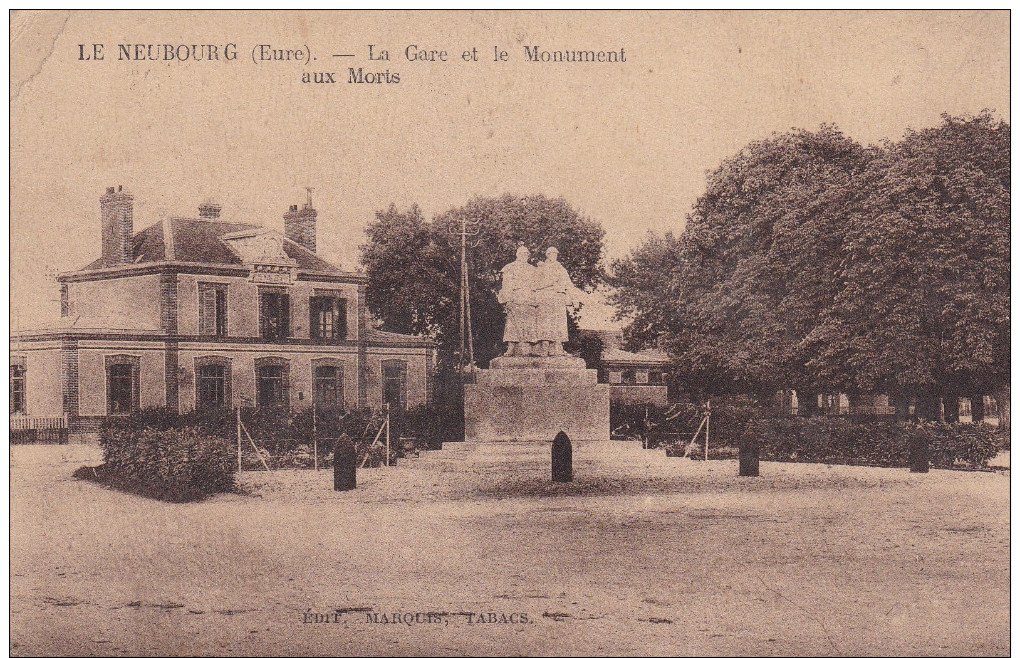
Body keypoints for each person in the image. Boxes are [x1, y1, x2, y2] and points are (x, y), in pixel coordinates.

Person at [533, 246, 584, 356]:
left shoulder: (561, 269)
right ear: (547, 255)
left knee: (559, 323)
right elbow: (535, 284)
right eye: (551, 254)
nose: (553, 256)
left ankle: (557, 347)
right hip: (545, 297)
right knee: (545, 322)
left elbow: (568, 284)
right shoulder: (541, 268)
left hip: (558, 298)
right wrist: (550, 282)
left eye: (555, 254)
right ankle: (544, 346)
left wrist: (575, 298)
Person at [497, 246, 538, 356]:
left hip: (529, 299)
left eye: (526, 254)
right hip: (515, 298)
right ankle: (511, 347)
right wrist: (508, 299)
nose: (524, 256)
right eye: (521, 254)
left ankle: (529, 347)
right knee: (512, 324)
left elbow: (537, 286)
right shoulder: (510, 268)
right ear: (517, 255)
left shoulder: (532, 269)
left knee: (529, 323)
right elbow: (506, 285)